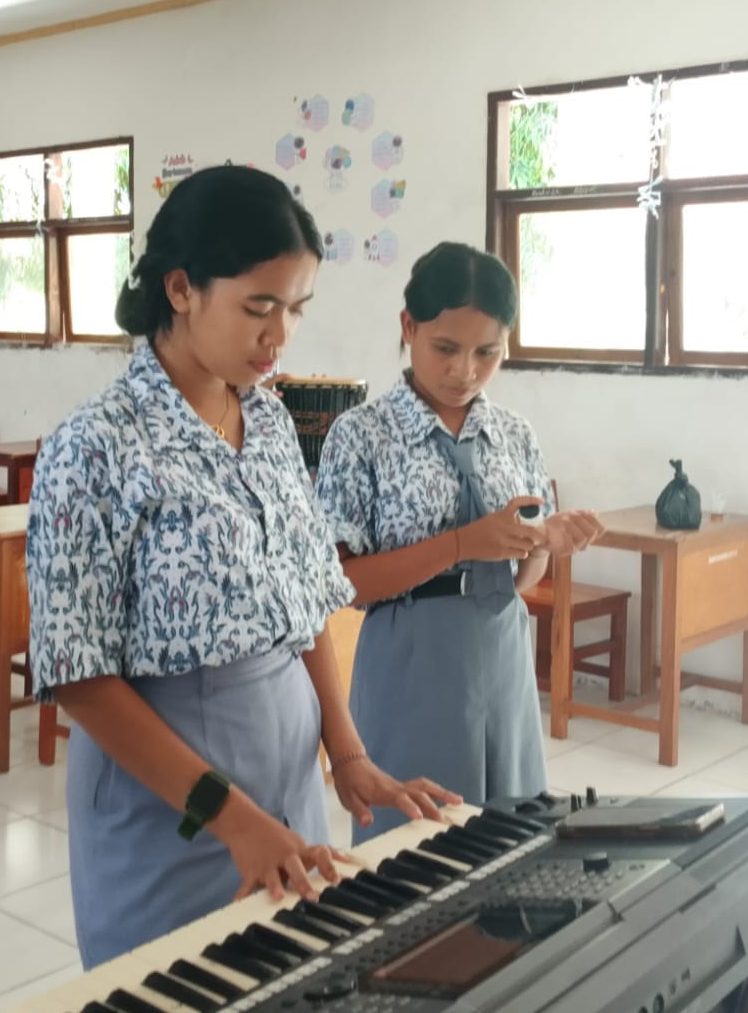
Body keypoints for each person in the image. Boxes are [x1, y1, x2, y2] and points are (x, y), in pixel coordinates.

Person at [26, 166, 457, 967]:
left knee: (290, 978)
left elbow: (302, 604)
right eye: (258, 306)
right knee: (183, 982)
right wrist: (230, 817)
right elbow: (76, 672)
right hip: (170, 806)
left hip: (283, 778)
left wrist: (349, 752)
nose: (279, 334)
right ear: (182, 288)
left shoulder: (267, 423)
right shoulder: (97, 444)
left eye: (295, 308)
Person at [315, 242, 603, 843]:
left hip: (501, 656)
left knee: (511, 839)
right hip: (411, 662)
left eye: (486, 353)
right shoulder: (361, 435)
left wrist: (544, 544)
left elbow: (521, 582)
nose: (464, 371)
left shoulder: (513, 435)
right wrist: (460, 544)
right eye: (444, 348)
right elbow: (341, 584)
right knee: (416, 850)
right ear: (408, 327)